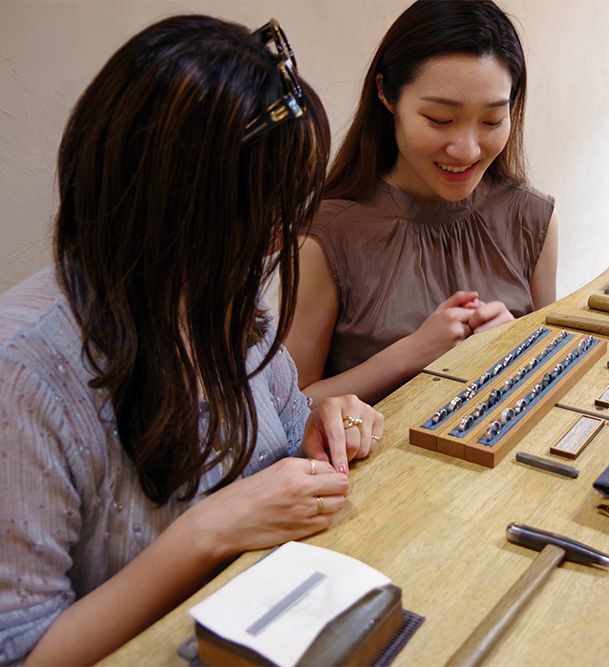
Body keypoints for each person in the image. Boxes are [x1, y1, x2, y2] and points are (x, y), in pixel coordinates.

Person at [0, 16, 384, 665]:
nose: (278, 239)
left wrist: (322, 424)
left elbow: (283, 444)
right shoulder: (27, 372)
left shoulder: (217, 307)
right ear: (171, 205)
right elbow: (26, 650)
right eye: (261, 213)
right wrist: (210, 529)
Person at [286, 0, 559, 404]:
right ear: (386, 94)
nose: (466, 150)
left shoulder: (531, 217)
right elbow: (288, 412)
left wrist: (515, 343)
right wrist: (411, 354)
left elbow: (550, 373)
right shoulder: (327, 234)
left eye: (491, 121)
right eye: (439, 119)